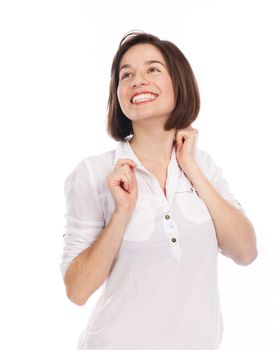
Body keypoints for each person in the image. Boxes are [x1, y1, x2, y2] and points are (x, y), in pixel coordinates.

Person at [60, 30, 257, 350]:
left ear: (178, 83)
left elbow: (246, 252)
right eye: (126, 75)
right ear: (119, 93)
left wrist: (190, 167)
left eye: (153, 69)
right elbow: (77, 290)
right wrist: (122, 213)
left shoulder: (202, 164)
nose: (138, 80)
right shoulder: (93, 174)